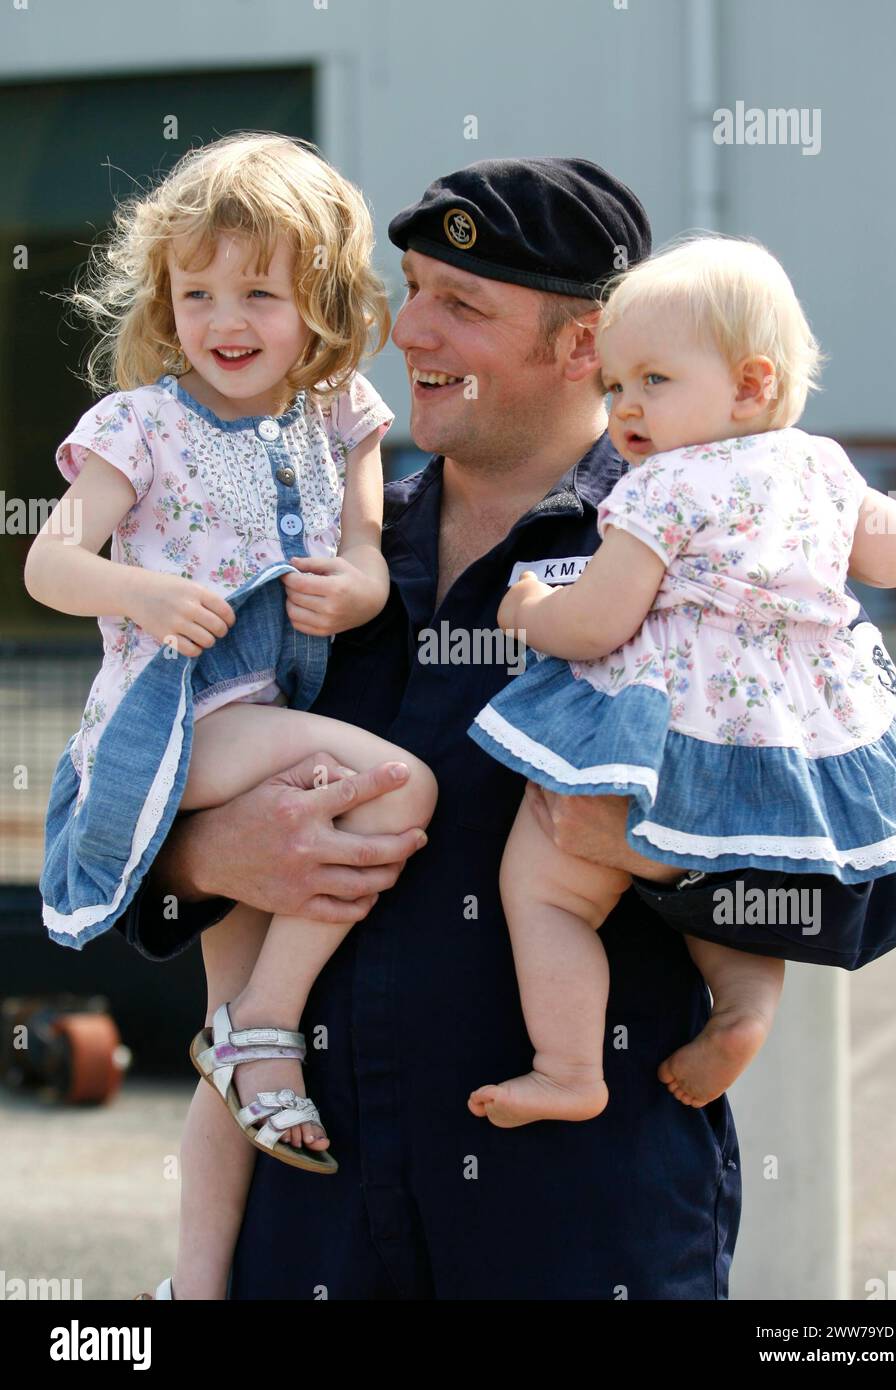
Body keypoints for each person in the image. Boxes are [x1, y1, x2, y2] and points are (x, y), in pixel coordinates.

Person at [109, 158, 896, 1300]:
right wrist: (199, 858)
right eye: (409, 288)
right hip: (311, 1222)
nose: (408, 331)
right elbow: (131, 786)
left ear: (582, 344)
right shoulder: (322, 550)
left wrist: (656, 855)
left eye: (463, 305)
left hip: (577, 1230)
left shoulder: (723, 544)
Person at [26, 132, 438, 1301]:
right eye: (197, 290)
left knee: (232, 1060)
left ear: (320, 298)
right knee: (399, 783)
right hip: (182, 720)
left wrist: (355, 585)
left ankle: (190, 1291)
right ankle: (267, 1014)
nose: (226, 317)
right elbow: (52, 564)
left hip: (271, 720)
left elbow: (363, 553)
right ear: (165, 296)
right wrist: (139, 589)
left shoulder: (340, 412)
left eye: (260, 289)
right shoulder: (140, 424)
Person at [466, 233, 896, 1127]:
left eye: (653, 381)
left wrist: (527, 611)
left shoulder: (661, 488)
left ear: (752, 384)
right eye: (616, 386)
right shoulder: (821, 464)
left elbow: (601, 619)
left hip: (667, 738)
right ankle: (746, 1009)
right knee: (741, 887)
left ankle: (568, 1067)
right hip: (790, 749)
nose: (627, 407)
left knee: (545, 887)